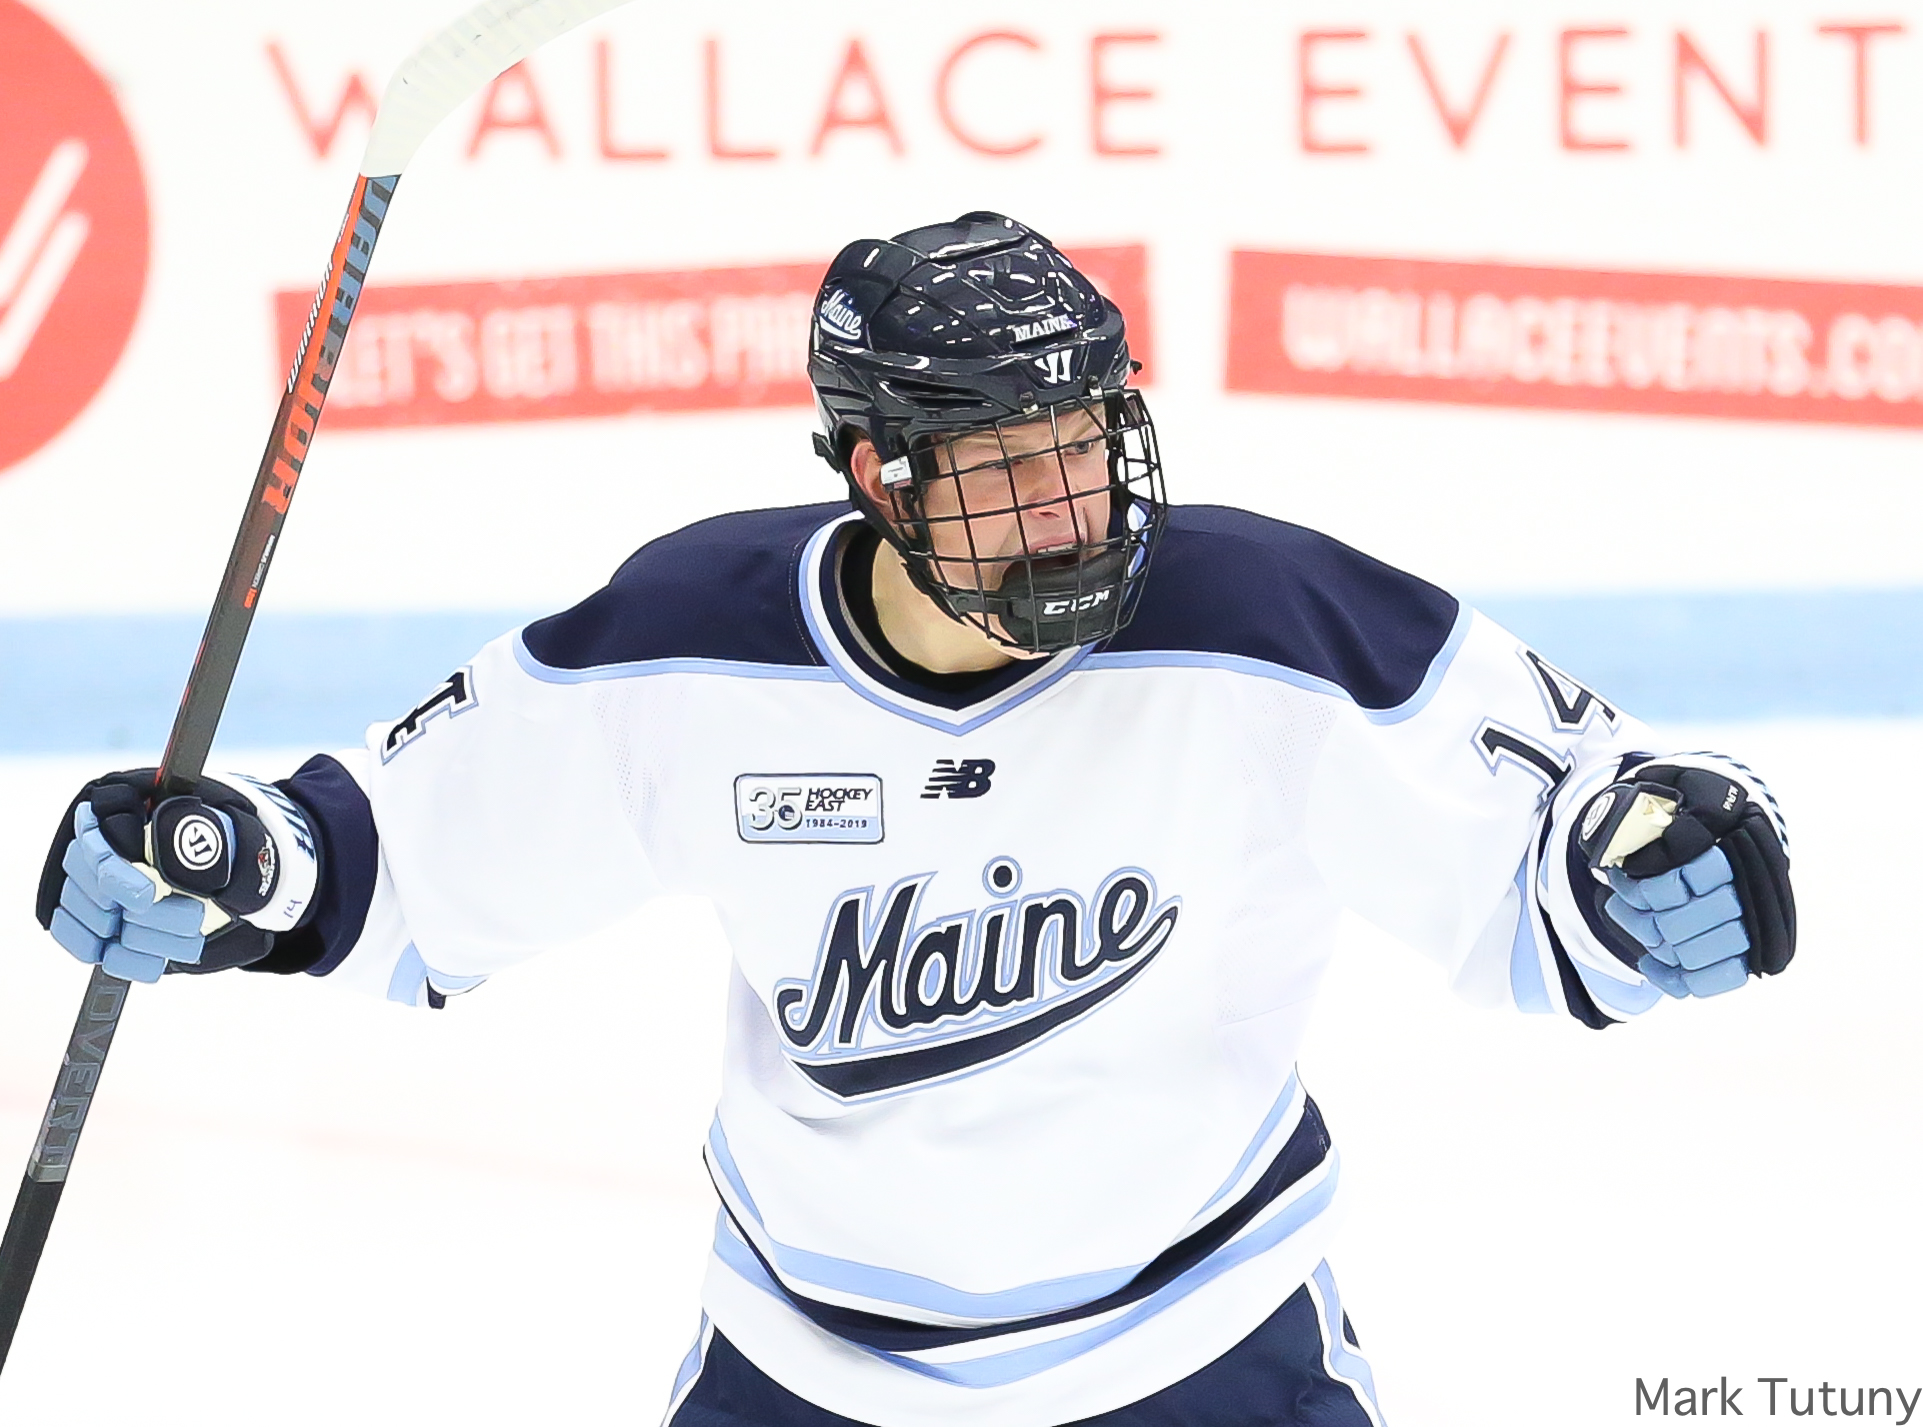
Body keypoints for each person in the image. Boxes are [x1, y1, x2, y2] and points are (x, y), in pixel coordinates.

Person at [35, 212, 1796, 1427]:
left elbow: (1590, 819)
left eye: (1092, 437)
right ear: (878, 472)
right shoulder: (691, 642)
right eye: (1013, 461)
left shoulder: (1269, 624)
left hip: (1207, 1349)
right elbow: (393, 851)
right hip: (809, 1370)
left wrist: (1667, 863)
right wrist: (219, 859)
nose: (1081, 498)